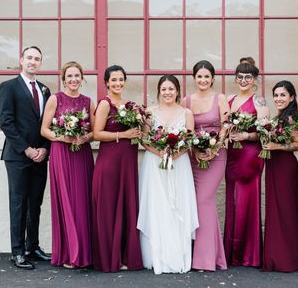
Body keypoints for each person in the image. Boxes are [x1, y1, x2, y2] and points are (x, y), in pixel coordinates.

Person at [137, 75, 199, 274]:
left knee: (177, 206)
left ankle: (177, 255)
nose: (167, 93)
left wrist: (174, 154)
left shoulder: (186, 112)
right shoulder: (150, 112)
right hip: (154, 164)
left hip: (179, 164)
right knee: (157, 205)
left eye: (171, 89)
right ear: (159, 91)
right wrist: (160, 152)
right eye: (164, 89)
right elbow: (144, 139)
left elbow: (189, 139)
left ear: (178, 91)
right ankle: (156, 256)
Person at [0, 46, 52, 270]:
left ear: (40, 63)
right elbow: (6, 122)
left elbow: (49, 123)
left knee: (35, 204)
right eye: (29, 58)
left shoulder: (44, 90)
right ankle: (18, 252)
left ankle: (33, 246)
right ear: (21, 60)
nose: (33, 62)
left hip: (40, 156)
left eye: (37, 59)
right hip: (18, 156)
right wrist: (27, 149)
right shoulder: (8, 87)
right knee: (19, 204)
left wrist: (45, 149)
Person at [40, 61, 95, 269]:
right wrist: (62, 137)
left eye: (77, 76)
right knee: (66, 201)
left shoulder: (88, 102)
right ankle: (70, 253)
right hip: (61, 154)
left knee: (82, 201)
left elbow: (94, 131)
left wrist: (85, 138)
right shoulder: (55, 99)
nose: (73, 79)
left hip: (82, 154)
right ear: (64, 79)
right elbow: (44, 130)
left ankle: (84, 253)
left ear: (82, 78)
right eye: (69, 76)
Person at [91, 65, 143, 272]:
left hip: (128, 162)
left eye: (121, 79)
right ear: (106, 82)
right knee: (110, 207)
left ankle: (124, 256)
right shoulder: (105, 104)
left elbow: (139, 130)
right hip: (110, 162)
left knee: (126, 206)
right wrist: (123, 135)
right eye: (114, 80)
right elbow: (96, 134)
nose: (118, 83)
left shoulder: (130, 106)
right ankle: (109, 258)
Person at [181, 60, 228, 272]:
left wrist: (214, 148)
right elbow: (184, 129)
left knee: (203, 201)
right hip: (193, 156)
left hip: (216, 155)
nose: (203, 80)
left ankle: (204, 260)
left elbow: (226, 127)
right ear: (194, 78)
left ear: (212, 78)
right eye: (199, 76)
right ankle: (215, 256)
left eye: (206, 76)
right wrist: (196, 149)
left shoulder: (221, 99)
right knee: (201, 204)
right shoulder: (186, 101)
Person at [224, 62, 269, 267]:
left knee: (246, 202)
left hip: (250, 155)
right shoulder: (230, 100)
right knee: (232, 202)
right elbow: (223, 126)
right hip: (232, 155)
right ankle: (232, 252)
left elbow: (265, 131)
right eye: (240, 77)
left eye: (248, 77)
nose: (243, 81)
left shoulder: (259, 101)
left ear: (255, 80)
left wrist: (246, 134)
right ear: (235, 78)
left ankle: (249, 254)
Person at [261, 80, 298, 272]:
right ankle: (274, 256)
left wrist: (276, 146)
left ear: (292, 97)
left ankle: (286, 258)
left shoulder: (292, 118)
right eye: (276, 95)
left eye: (283, 95)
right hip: (273, 166)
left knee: (285, 211)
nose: (278, 99)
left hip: (285, 167)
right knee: (274, 210)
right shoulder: (279, 116)